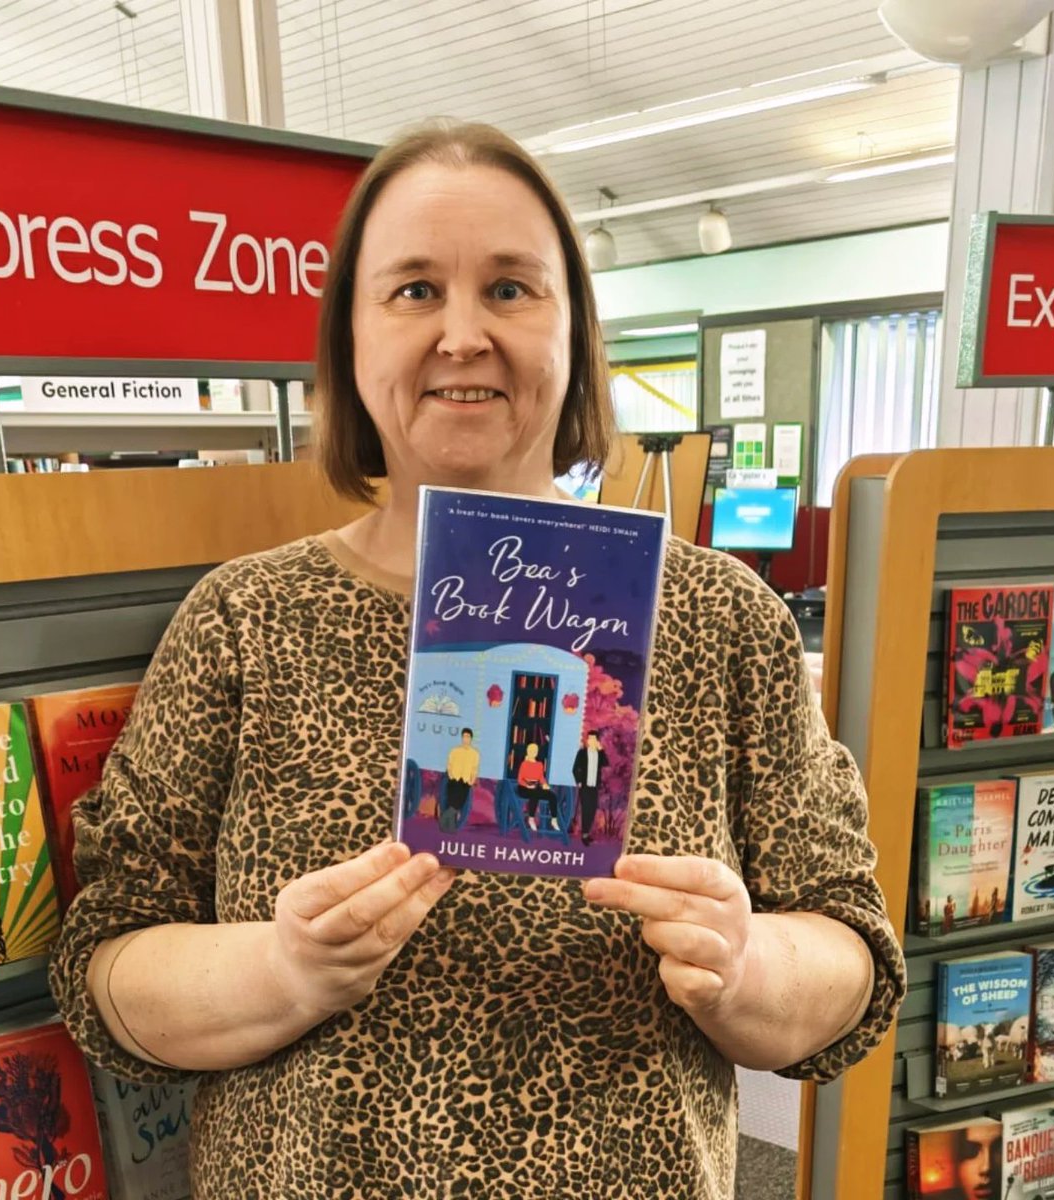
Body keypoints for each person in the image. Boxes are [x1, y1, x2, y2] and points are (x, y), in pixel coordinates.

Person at [50, 121, 906, 1199]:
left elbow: (855, 953)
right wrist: (282, 971)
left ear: (575, 333)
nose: (462, 333)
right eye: (413, 289)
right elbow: (103, 967)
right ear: (350, 340)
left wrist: (747, 965)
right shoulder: (245, 620)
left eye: (510, 288)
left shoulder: (720, 620)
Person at [571, 730, 608, 846]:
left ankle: (587, 832)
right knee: (586, 809)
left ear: (597, 741)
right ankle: (584, 835)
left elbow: (606, 763)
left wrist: (601, 749)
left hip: (594, 786)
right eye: (589, 739)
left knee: (592, 810)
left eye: (593, 739)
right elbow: (575, 768)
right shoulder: (582, 753)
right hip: (585, 785)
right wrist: (579, 781)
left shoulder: (599, 754)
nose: (590, 741)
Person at [516, 741, 559, 831]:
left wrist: (544, 784)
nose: (533, 752)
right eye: (531, 750)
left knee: (552, 795)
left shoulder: (539, 764)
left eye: (535, 750)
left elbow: (541, 778)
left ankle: (554, 819)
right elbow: (520, 780)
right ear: (528, 751)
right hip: (524, 788)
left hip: (536, 787)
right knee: (535, 793)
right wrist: (527, 785)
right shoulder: (524, 764)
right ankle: (531, 818)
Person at [440, 727, 478, 831]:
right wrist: (452, 777)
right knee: (452, 803)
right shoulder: (455, 751)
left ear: (471, 738)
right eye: (464, 736)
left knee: (458, 805)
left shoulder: (475, 753)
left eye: (468, 736)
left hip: (465, 782)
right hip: (454, 780)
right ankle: (450, 827)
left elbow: (474, 769)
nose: (466, 738)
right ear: (462, 738)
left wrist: (471, 781)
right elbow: (449, 765)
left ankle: (444, 821)